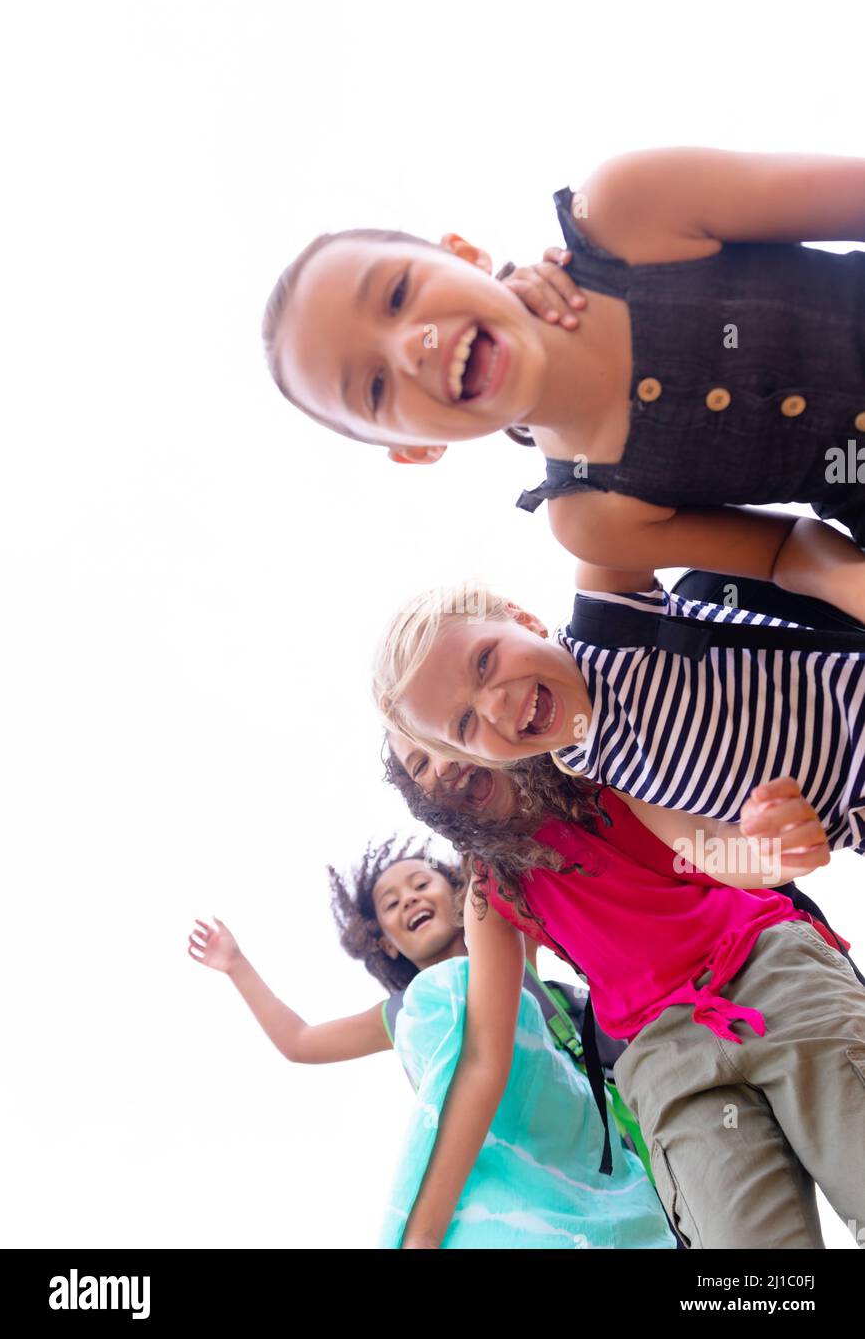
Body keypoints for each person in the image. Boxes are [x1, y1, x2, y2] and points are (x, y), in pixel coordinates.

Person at [262, 147, 865, 623]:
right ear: (416, 449)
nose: (410, 349)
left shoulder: (627, 210)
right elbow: (787, 552)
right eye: (372, 387)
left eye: (396, 294)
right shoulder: (590, 519)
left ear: (465, 254)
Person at [381, 733, 865, 1249]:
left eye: (437, 738)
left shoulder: (589, 765)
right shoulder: (491, 889)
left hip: (764, 970)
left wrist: (777, 849)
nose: (441, 767)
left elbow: (711, 846)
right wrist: (421, 1236)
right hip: (667, 1062)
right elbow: (481, 1061)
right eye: (418, 766)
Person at [186, 835, 674, 1250]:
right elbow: (300, 1040)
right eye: (393, 905)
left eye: (421, 885)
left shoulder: (511, 944)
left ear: (458, 894)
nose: (410, 899)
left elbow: (523, 873)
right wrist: (236, 965)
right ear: (387, 944)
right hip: (528, 1166)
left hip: (630, 1121)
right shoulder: (408, 1011)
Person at [372, 565, 865, 856]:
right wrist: (772, 854)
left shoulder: (611, 622)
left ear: (523, 619)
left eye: (484, 661)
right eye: (464, 724)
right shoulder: (588, 762)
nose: (494, 704)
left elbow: (611, 488)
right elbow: (706, 844)